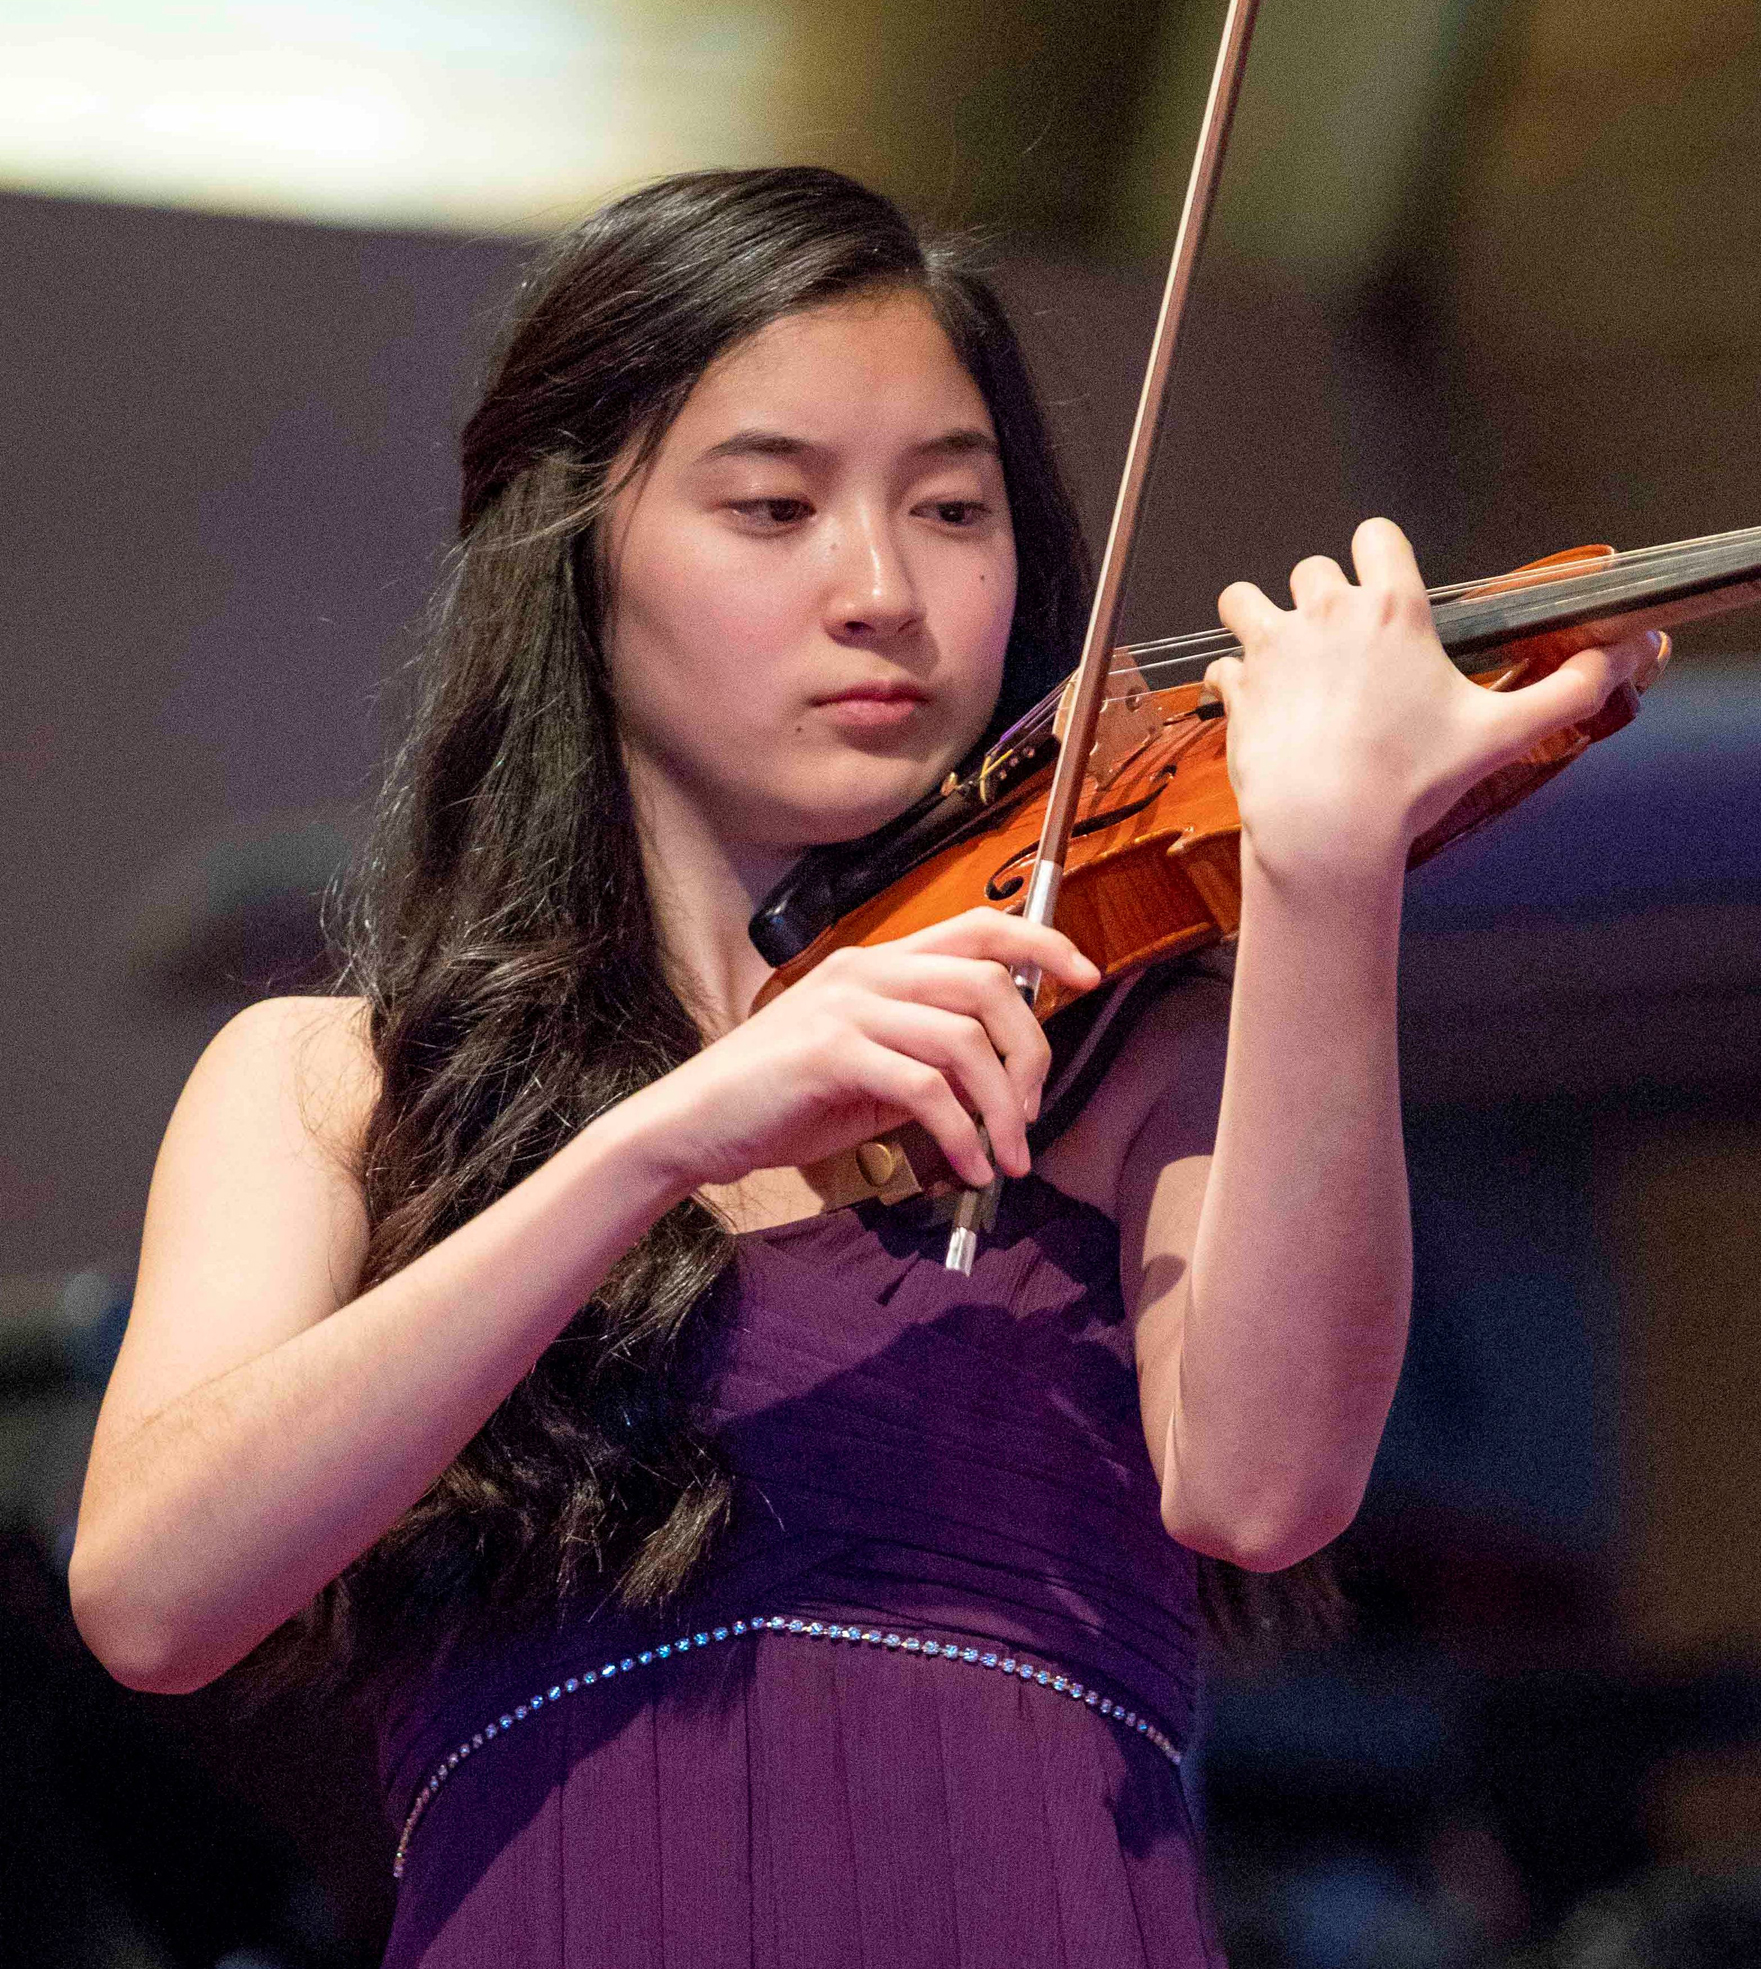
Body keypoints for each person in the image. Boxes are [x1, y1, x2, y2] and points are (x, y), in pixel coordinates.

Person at [67, 168, 1652, 1967]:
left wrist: (1324, 877)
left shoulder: (1127, 1052)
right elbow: (150, 1594)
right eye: (772, 507)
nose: (884, 591)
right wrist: (653, 1146)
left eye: (954, 510)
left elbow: (1268, 1488)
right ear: (573, 551)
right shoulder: (334, 1083)